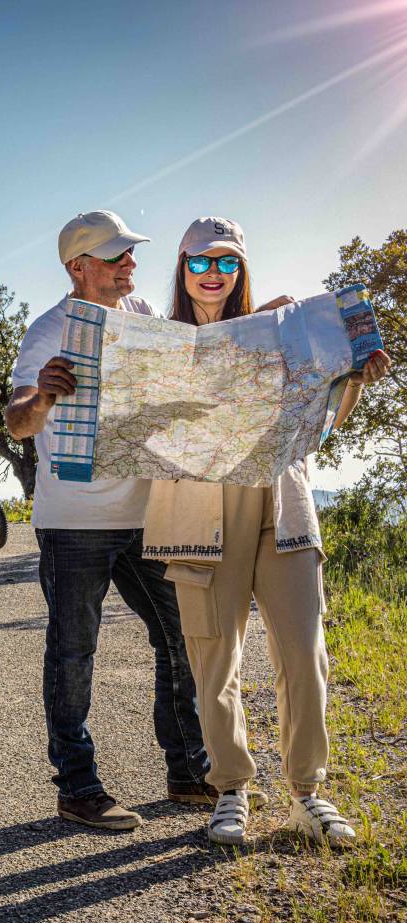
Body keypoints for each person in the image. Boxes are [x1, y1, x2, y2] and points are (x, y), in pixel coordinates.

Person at [143, 217, 391, 848]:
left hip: (283, 507)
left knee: (305, 654)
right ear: (182, 268)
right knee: (213, 658)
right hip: (200, 515)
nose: (213, 275)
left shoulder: (290, 333)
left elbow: (324, 425)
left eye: (227, 263)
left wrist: (353, 376)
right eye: (200, 263)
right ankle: (230, 790)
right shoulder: (160, 344)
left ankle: (309, 793)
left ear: (241, 270)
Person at [4, 210, 213, 831]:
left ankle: (187, 770)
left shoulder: (143, 314)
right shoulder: (47, 332)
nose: (131, 262)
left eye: (130, 252)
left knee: (180, 635)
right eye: (117, 253)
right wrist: (41, 397)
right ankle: (77, 787)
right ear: (79, 267)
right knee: (74, 650)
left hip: (147, 513)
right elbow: (16, 420)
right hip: (75, 522)